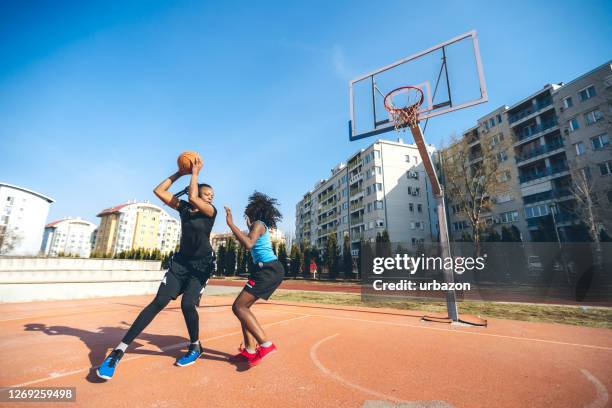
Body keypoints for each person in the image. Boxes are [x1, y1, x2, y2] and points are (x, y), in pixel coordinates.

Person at [97, 157, 216, 380]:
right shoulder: (184, 208)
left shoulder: (210, 212)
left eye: (212, 196)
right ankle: (118, 351)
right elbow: (158, 190)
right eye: (207, 194)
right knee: (158, 302)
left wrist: (195, 174)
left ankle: (195, 346)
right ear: (199, 192)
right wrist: (180, 173)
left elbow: (191, 195)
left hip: (201, 267)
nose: (211, 197)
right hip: (180, 263)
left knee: (187, 304)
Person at [224, 191, 284, 367]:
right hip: (264, 270)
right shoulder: (256, 226)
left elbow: (248, 244)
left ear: (254, 211)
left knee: (239, 306)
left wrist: (230, 224)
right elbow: (251, 242)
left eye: (248, 210)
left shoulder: (258, 224)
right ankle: (250, 350)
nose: (246, 213)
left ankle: (266, 344)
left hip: (268, 270)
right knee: (244, 308)